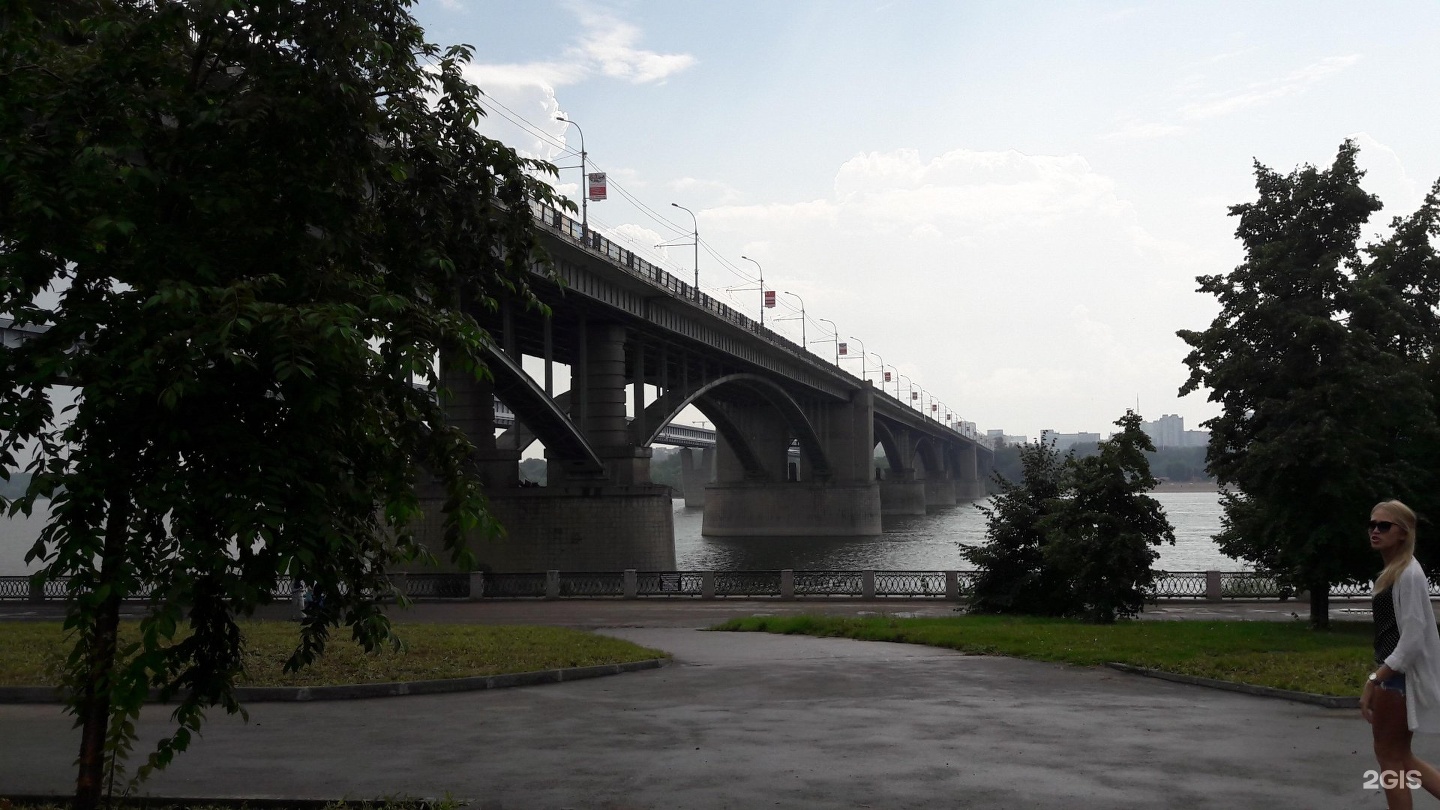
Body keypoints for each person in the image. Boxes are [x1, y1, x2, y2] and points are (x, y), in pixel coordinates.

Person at [1361, 500, 1440, 808]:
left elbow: (1413, 639)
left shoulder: (1408, 574)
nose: (1375, 531)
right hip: (1395, 678)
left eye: (1384, 526)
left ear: (1404, 534)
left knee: (1390, 759)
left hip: (1396, 680)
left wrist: (1375, 679)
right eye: (1372, 525)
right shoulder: (1395, 572)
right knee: (1400, 757)